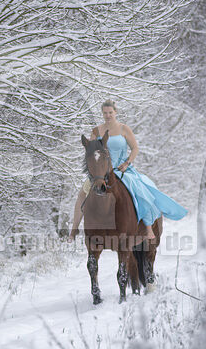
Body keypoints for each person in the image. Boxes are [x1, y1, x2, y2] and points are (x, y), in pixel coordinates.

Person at [68, 99, 187, 242]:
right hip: (101, 172)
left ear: (115, 112)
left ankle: (148, 226)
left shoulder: (124, 129)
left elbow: (135, 148)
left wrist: (126, 163)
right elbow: (92, 150)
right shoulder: (96, 130)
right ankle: (74, 230)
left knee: (142, 190)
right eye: (105, 113)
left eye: (110, 112)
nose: (108, 115)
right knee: (82, 193)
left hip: (122, 170)